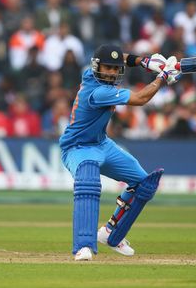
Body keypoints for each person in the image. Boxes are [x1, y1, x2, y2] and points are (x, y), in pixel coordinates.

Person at [59, 44, 181, 261]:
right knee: (88, 176)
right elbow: (141, 99)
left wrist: (144, 62)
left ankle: (111, 234)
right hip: (77, 148)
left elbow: (119, 58)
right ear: (97, 67)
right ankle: (84, 246)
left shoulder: (96, 72)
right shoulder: (98, 91)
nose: (113, 73)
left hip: (102, 144)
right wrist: (162, 76)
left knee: (144, 184)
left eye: (116, 69)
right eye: (108, 68)